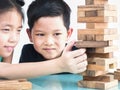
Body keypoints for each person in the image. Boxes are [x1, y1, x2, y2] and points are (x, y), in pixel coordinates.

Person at [0, 0, 87, 80]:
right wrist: (61, 64)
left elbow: (7, 75)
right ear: (30, 35)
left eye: (18, 30)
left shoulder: (7, 48)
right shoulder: (26, 51)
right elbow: (5, 71)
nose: (49, 42)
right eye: (6, 29)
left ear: (68, 34)